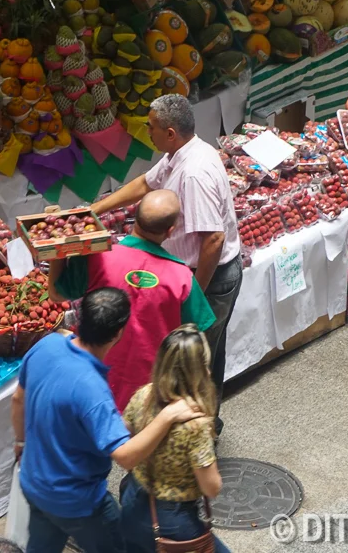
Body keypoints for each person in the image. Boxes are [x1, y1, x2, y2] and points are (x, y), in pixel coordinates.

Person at [12, 288, 203, 553]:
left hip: (35, 484)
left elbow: (18, 400)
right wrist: (167, 416)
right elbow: (125, 456)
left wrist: (21, 442)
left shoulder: (47, 345)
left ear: (79, 318)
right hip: (79, 504)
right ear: (118, 333)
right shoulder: (93, 391)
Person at [92, 95, 241, 432]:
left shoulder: (193, 174)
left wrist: (193, 295)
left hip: (211, 278)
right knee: (206, 353)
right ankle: (201, 424)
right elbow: (146, 183)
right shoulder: (180, 154)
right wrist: (94, 210)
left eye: (152, 128)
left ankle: (195, 437)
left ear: (171, 133)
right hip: (197, 274)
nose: (147, 132)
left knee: (195, 359)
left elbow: (213, 240)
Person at [46, 189, 215, 410]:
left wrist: (55, 248)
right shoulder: (183, 278)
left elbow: (56, 294)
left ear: (135, 217)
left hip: (96, 381)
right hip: (152, 394)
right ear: (171, 231)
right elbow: (196, 336)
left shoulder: (99, 257)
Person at [120, 325, 228, 553]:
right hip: (174, 520)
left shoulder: (143, 395)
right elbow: (211, 488)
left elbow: (125, 434)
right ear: (198, 373)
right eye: (205, 366)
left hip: (133, 500)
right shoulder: (195, 425)